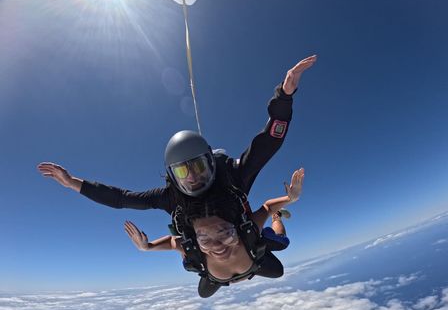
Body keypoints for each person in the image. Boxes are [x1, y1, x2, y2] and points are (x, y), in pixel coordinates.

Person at [37, 56, 317, 217]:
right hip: (215, 261)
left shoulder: (232, 176)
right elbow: (122, 198)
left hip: (243, 246)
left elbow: (269, 142)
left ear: (211, 161)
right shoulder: (171, 197)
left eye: (197, 167)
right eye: (183, 172)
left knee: (270, 261)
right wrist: (73, 183)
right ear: (172, 176)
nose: (193, 177)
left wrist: (284, 96)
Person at [124, 168, 304, 298]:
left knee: (280, 243)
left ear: (235, 227)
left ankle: (277, 219)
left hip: (253, 263)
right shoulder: (194, 248)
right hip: (224, 276)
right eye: (204, 239)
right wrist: (146, 247)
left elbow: (267, 207)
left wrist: (290, 199)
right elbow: (173, 241)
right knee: (203, 294)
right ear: (197, 239)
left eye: (225, 233)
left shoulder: (246, 231)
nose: (217, 245)